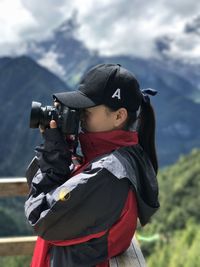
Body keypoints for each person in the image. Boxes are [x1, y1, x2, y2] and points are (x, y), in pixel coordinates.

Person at [24, 63, 160, 267]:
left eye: (86, 110)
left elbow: (41, 218)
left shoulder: (109, 175)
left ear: (118, 116)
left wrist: (53, 159)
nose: (79, 116)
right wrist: (63, 151)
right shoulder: (107, 157)